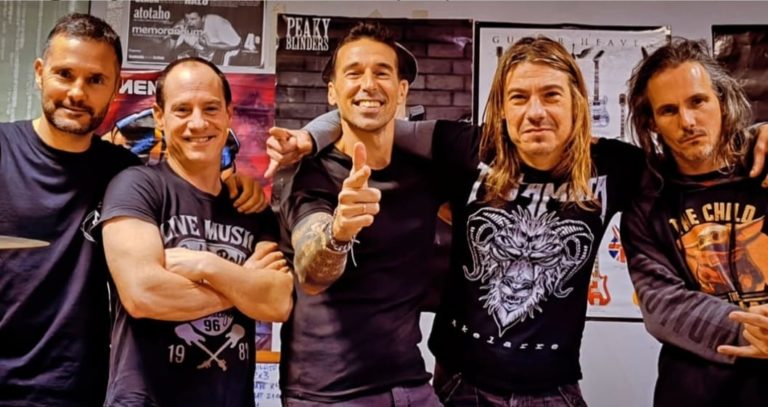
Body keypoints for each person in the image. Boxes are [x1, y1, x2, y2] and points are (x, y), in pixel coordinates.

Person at [268, 35, 768, 407]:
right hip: (458, 384)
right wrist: (309, 138)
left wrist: (757, 133)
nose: (535, 112)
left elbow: (697, 155)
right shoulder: (467, 148)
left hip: (554, 388)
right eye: (519, 97)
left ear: (576, 101)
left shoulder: (619, 167)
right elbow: (370, 113)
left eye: (551, 95)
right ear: (501, 109)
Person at [0, 13, 264, 407]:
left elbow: (190, 180)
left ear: (115, 87)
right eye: (65, 74)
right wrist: (245, 290)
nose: (77, 92)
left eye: (95, 80)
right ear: (40, 73)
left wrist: (236, 183)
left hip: (84, 389)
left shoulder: (124, 173)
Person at [274, 22, 451, 406]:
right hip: (329, 395)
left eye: (381, 73)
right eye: (354, 73)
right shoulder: (307, 173)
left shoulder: (425, 172)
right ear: (333, 91)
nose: (368, 84)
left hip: (412, 387)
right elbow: (311, 272)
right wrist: (339, 231)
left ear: (401, 90)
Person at [99, 57, 293, 407]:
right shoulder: (136, 188)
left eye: (211, 108)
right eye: (182, 110)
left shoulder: (250, 209)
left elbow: (277, 302)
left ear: (229, 114)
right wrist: (243, 284)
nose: (198, 122)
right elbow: (143, 294)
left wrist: (208, 266)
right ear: (160, 117)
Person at [622, 38, 768, 406]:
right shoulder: (647, 203)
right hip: (694, 395)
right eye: (669, 110)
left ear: (723, 100)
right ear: (652, 123)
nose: (687, 121)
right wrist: (755, 332)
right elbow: (663, 306)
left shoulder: (764, 167)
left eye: (698, 101)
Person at [173, 11, 241, 65]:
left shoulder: (217, 22)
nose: (189, 22)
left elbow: (237, 44)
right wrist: (174, 36)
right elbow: (170, 49)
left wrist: (211, 45)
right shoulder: (183, 25)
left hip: (224, 55)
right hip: (203, 58)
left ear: (202, 18)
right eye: (186, 19)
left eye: (193, 19)